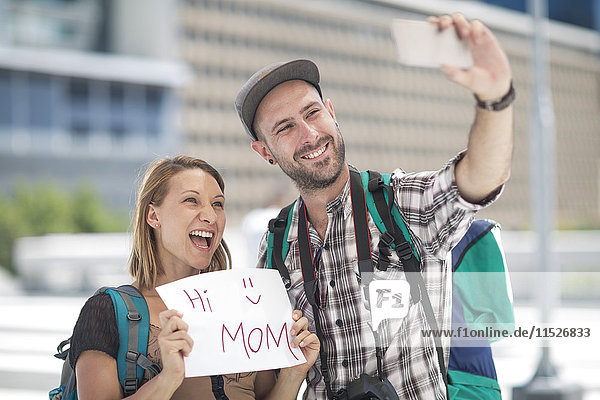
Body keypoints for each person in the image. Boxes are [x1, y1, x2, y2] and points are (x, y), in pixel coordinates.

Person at [234, 13, 513, 400]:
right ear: (264, 151)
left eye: (312, 113)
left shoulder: (399, 203)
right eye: (285, 128)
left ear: (331, 111)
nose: (309, 134)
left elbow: (478, 180)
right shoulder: (275, 246)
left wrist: (495, 100)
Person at [69, 155, 320, 399]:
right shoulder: (107, 311)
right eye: (191, 200)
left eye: (218, 204)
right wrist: (168, 378)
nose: (210, 216)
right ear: (153, 216)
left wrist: (293, 372)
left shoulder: (247, 306)